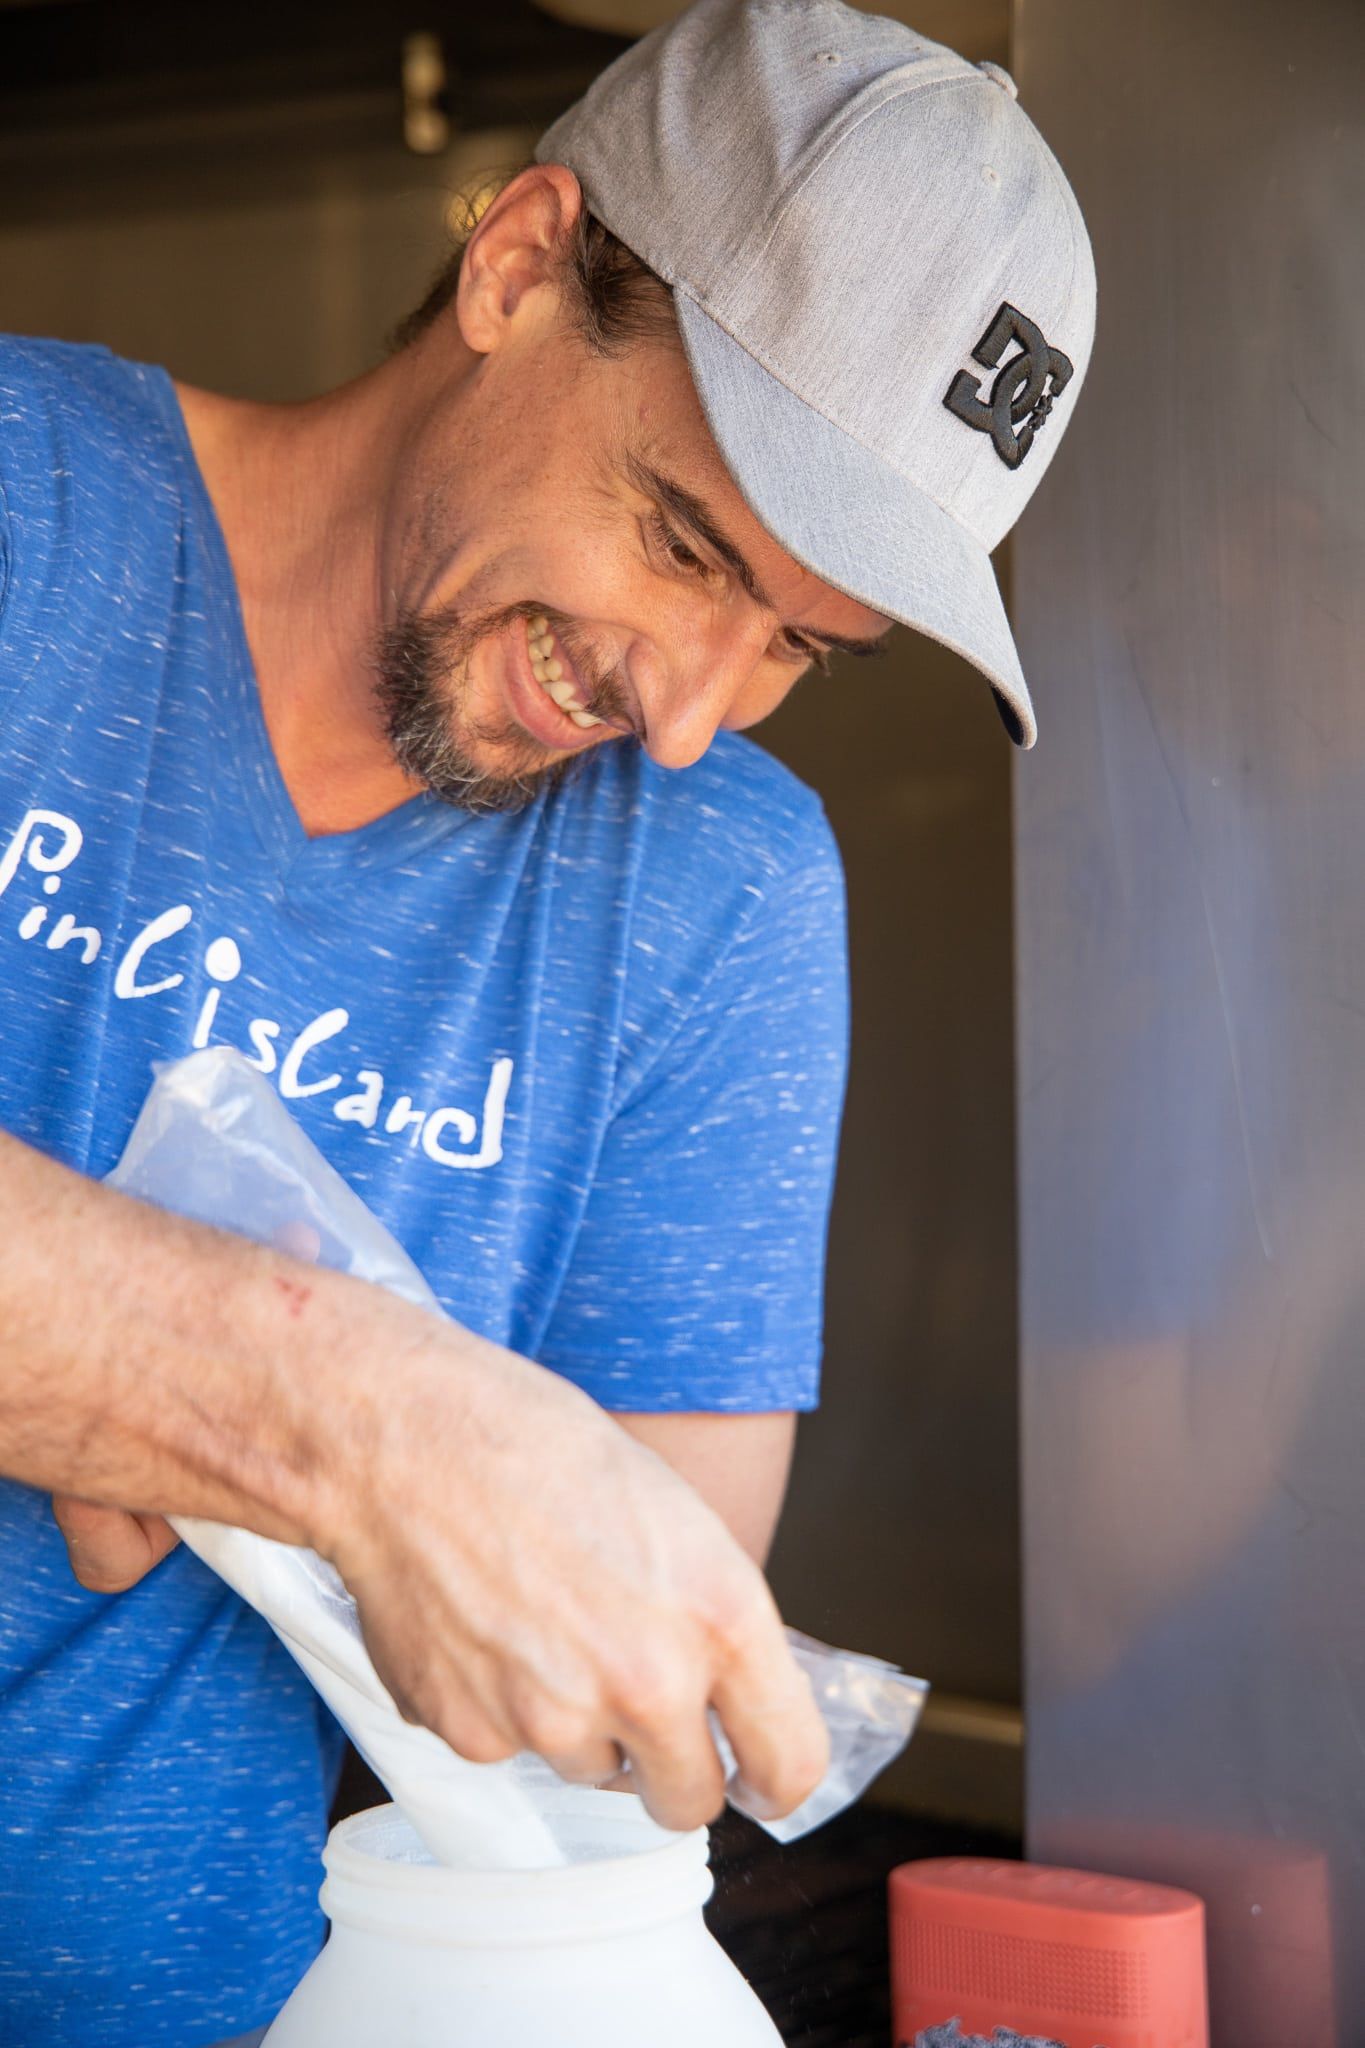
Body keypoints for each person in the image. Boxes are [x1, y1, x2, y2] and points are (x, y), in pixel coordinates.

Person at [0, 0, 1095, 2039]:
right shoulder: (19, 517)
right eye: (681, 543)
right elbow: (418, 1466)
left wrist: (146, 1370)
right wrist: (317, 1406)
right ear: (515, 266)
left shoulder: (724, 893)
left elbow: (624, 1673)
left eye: (793, 646)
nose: (682, 709)